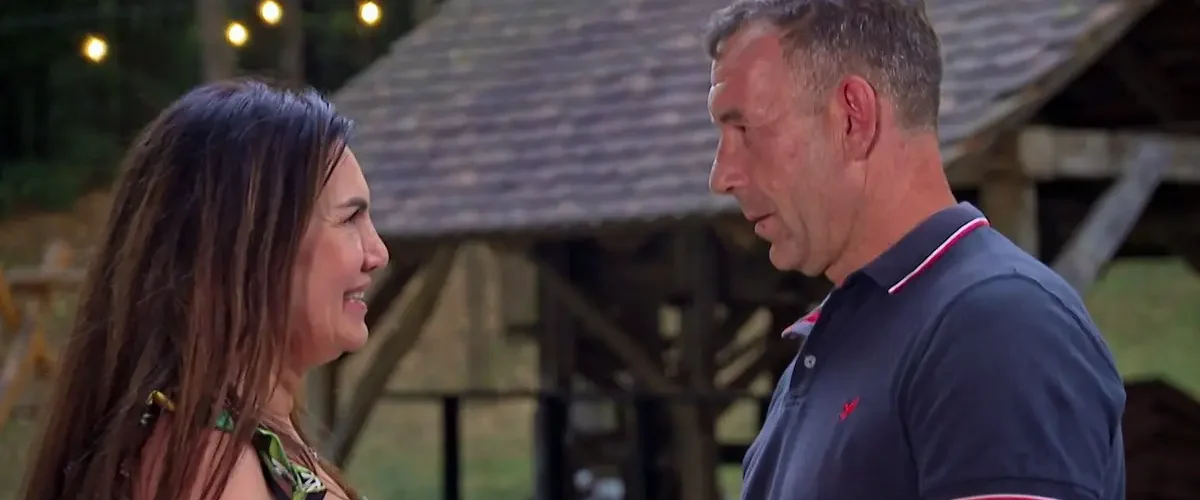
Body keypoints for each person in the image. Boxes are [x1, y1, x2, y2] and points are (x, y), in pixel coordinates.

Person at [703, 1, 1126, 499]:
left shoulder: (998, 326)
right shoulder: (833, 350)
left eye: (744, 130)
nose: (722, 176)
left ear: (852, 118)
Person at [19, 79, 389, 500]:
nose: (378, 253)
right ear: (250, 245)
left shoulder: (232, 445)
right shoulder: (208, 466)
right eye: (350, 219)